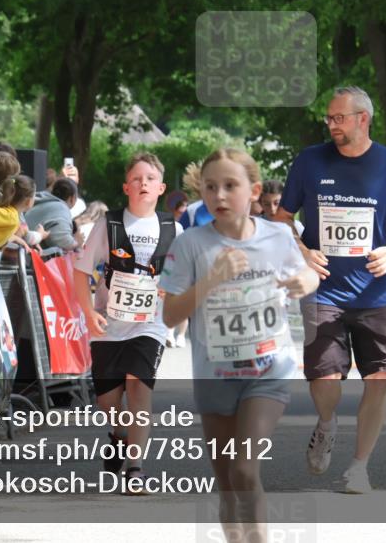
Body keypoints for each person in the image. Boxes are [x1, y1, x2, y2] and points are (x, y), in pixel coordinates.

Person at [273, 86, 386, 494]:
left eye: (338, 118)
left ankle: (359, 467)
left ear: (363, 118)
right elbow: (281, 219)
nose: (331, 124)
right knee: (325, 377)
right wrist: (303, 250)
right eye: (329, 118)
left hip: (375, 291)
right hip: (322, 288)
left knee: (379, 376)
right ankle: (327, 423)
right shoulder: (310, 161)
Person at [161, 148, 317, 537]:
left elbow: (309, 273)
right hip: (214, 373)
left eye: (231, 186)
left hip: (269, 368)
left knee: (246, 469)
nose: (219, 196)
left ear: (254, 191)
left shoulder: (278, 236)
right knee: (229, 483)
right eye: (210, 187)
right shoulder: (191, 244)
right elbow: (170, 315)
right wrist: (212, 278)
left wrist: (305, 282)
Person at [72, 152, 182, 492]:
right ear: (126, 187)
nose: (143, 183)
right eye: (136, 178)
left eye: (150, 178)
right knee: (107, 402)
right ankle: (118, 434)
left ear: (161, 187)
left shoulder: (172, 227)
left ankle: (135, 468)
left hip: (150, 324)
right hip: (109, 323)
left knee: (139, 387)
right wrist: (89, 312)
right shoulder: (109, 223)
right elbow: (80, 270)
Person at [24, 176, 79, 253]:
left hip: (19, 252)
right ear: (72, 198)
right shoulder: (61, 209)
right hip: (29, 258)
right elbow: (61, 241)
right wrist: (77, 242)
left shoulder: (40, 200)